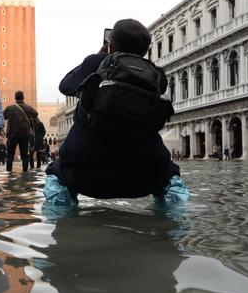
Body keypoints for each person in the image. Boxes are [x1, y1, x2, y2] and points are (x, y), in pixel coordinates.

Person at [43, 19, 186, 206]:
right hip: (146, 178)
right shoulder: (156, 74)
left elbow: (65, 86)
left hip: (82, 175)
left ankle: (62, 217)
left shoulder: (95, 63)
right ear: (145, 50)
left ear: (110, 44)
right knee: (171, 178)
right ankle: (174, 217)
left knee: (55, 176)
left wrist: (98, 57)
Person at [2, 90, 38, 173]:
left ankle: (9, 172)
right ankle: (25, 172)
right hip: (24, 135)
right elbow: (35, 114)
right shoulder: (28, 108)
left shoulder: (10, 108)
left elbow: (3, 116)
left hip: (12, 135)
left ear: (15, 98)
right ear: (23, 97)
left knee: (10, 155)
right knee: (25, 155)